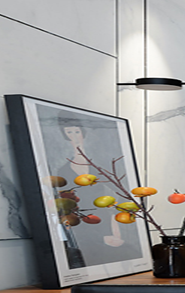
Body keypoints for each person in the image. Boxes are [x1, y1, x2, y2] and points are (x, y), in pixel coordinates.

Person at [49, 111, 143, 269]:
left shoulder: (100, 165)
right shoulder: (63, 170)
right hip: (82, 224)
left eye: (77, 131)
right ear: (65, 135)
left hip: (105, 219)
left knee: (118, 256)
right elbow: (65, 203)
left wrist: (114, 223)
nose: (75, 137)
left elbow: (123, 193)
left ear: (83, 133)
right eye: (69, 132)